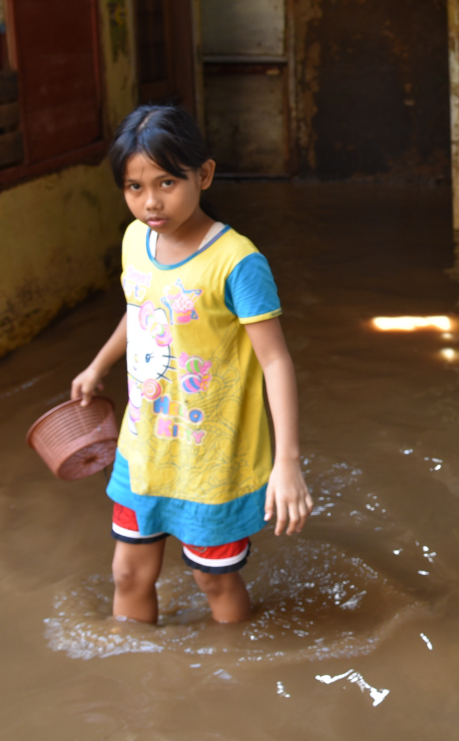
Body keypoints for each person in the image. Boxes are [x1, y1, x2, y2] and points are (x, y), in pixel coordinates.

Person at [70, 105, 312, 624]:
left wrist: (287, 463)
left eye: (166, 183)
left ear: (203, 174)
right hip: (145, 449)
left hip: (212, 461)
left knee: (213, 579)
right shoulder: (137, 240)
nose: (151, 202)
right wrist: (98, 365)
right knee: (128, 574)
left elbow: (275, 361)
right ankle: (138, 689)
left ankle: (235, 683)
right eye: (134, 187)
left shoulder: (238, 262)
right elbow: (141, 312)